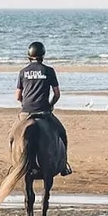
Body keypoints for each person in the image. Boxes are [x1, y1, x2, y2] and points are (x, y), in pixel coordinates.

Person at [16, 41, 71, 175]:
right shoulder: (49, 70)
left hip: (26, 113)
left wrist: (25, 104)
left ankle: (15, 165)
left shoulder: (23, 72)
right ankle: (64, 165)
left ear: (29, 56)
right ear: (43, 55)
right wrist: (51, 104)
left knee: (13, 137)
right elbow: (57, 93)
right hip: (44, 112)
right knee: (62, 133)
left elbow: (18, 96)